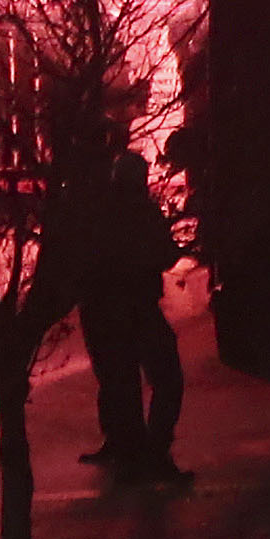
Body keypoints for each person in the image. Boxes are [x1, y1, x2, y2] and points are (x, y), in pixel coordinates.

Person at [74, 131, 188, 487]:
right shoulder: (142, 211)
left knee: (115, 381)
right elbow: (164, 254)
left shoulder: (94, 210)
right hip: (136, 304)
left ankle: (124, 448)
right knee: (166, 378)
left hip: (100, 309)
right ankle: (153, 453)